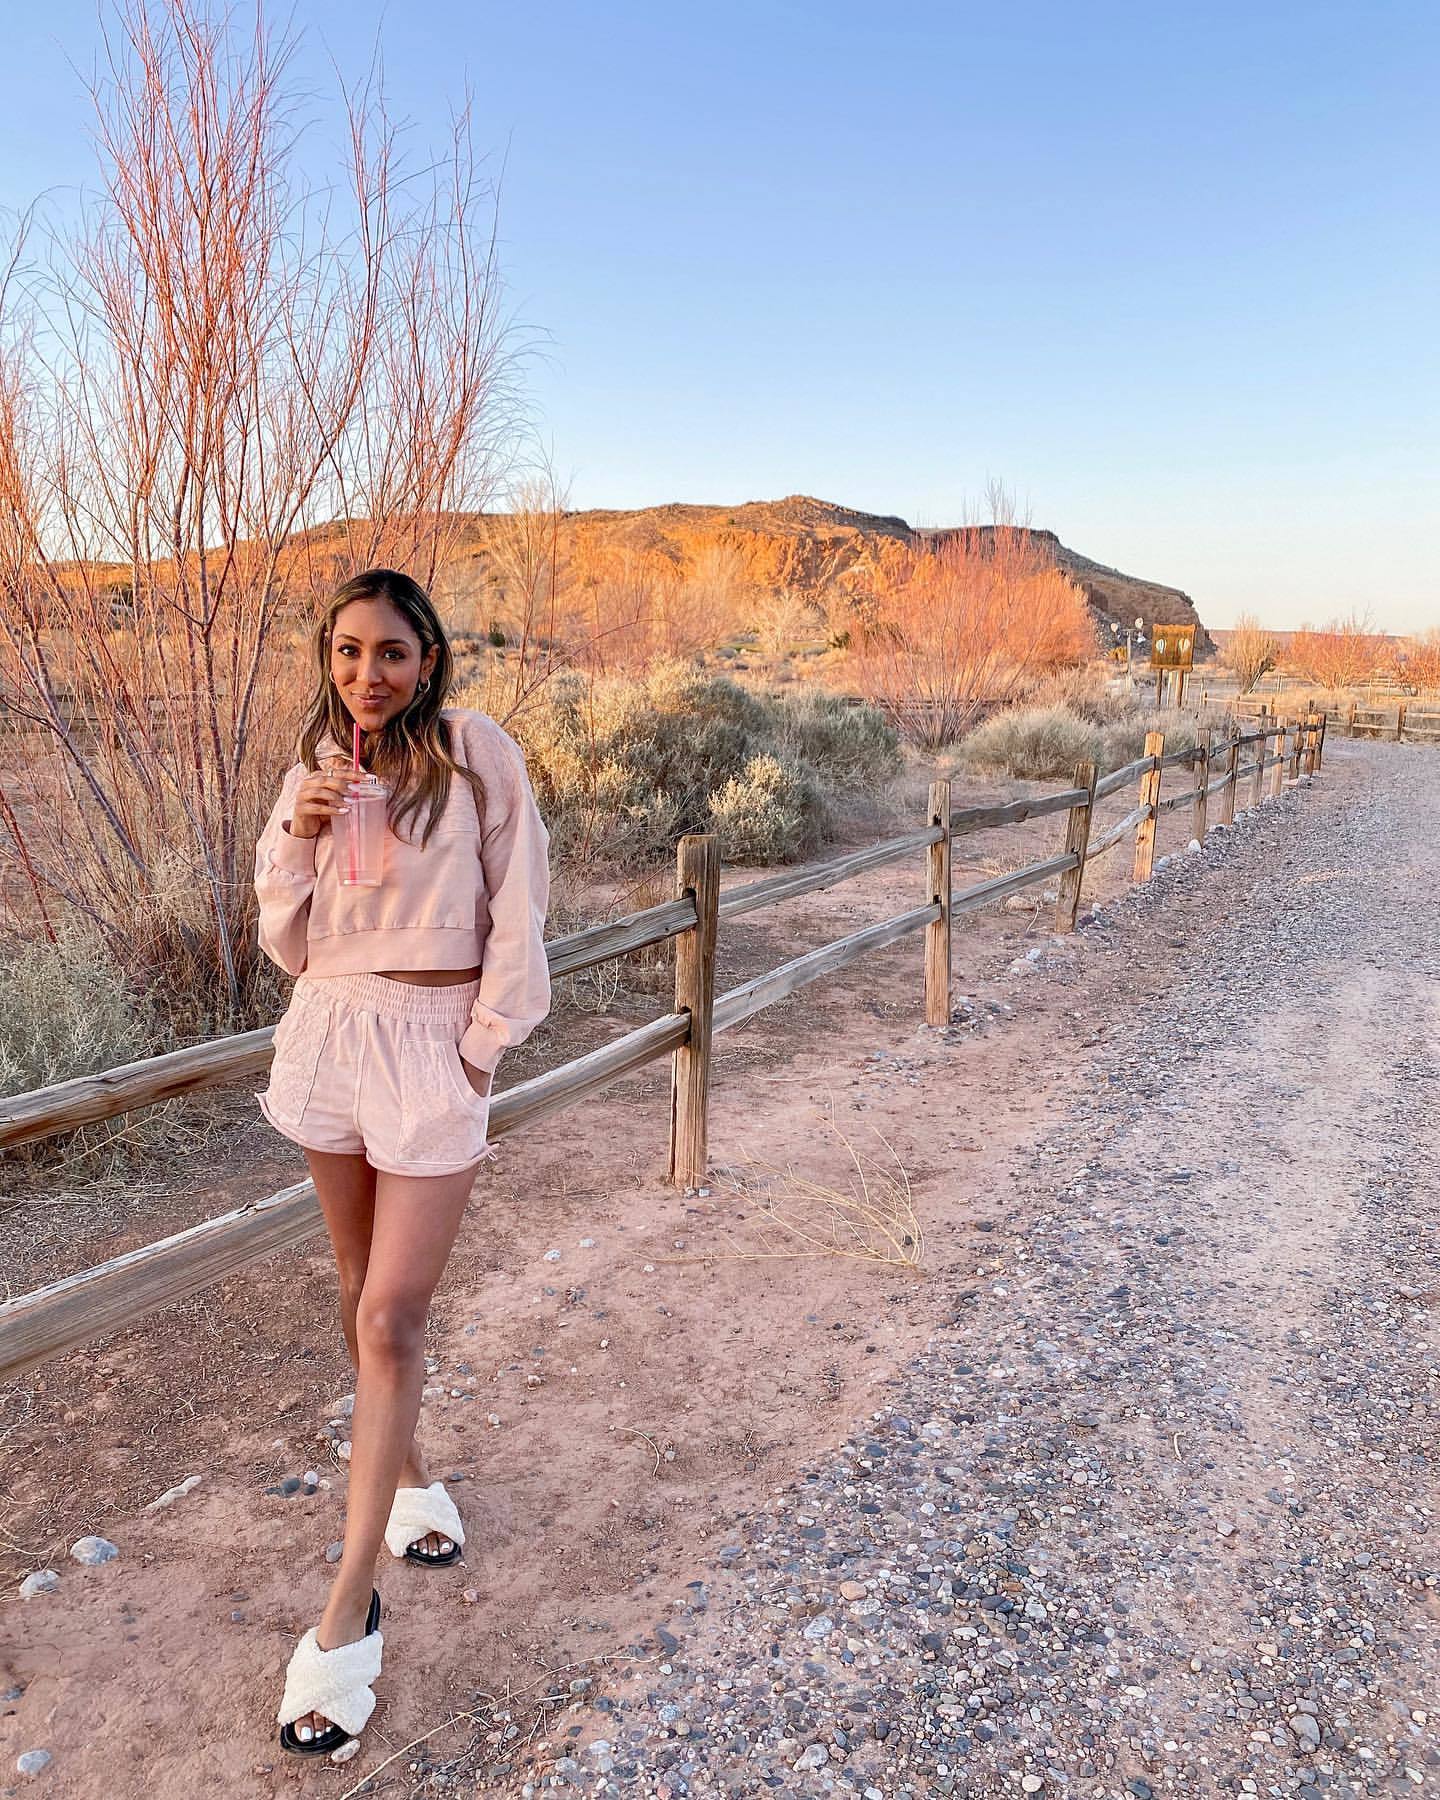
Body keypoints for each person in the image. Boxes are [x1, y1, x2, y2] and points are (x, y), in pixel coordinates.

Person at [253, 568, 551, 1758]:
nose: (365, 673)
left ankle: (347, 1609)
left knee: (390, 1317)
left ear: (427, 656)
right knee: (352, 1285)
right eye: (346, 651)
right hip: (332, 1030)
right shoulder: (319, 768)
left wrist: (481, 1047)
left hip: (432, 1047)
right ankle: (411, 1476)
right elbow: (284, 935)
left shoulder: (478, 754)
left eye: (388, 651)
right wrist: (303, 828)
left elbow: (521, 895)